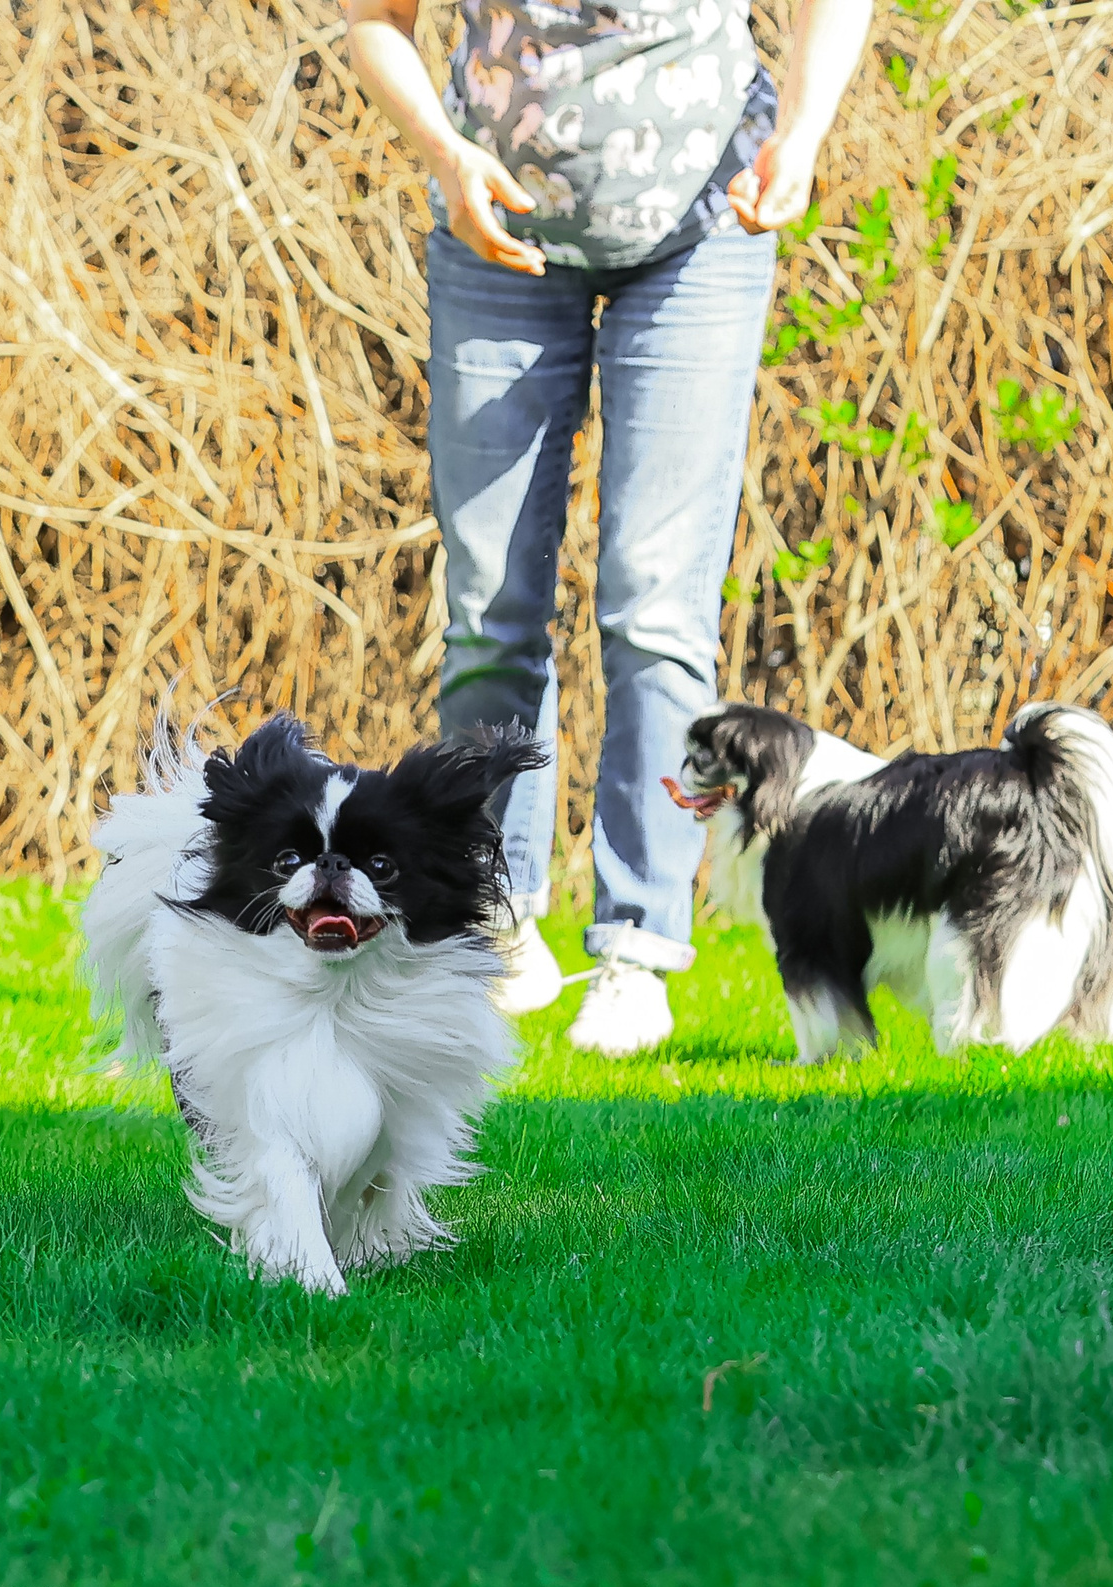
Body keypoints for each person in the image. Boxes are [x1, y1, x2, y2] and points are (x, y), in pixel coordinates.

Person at [346, 0, 875, 1054]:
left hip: (698, 227)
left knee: (654, 604)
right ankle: (493, 919)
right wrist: (445, 157)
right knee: (490, 605)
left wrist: (801, 137)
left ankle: (637, 948)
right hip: (493, 221)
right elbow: (372, 21)